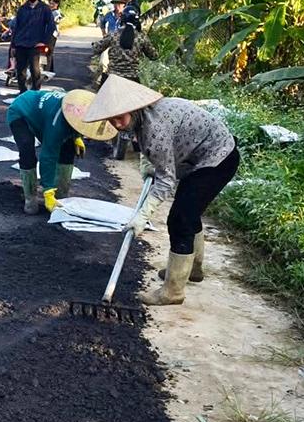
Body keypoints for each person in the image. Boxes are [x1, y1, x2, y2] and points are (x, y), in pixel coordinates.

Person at [84, 74, 240, 306]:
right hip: (197, 157)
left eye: (119, 118)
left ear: (132, 108)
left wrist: (142, 215)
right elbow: (157, 152)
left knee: (180, 218)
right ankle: (193, 269)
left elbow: (166, 180)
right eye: (111, 120)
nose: (116, 124)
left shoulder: (155, 128)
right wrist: (149, 162)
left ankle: (173, 291)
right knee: (189, 210)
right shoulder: (142, 116)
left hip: (218, 158)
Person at [6, 89, 116, 215]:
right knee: (27, 152)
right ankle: (30, 198)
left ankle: (62, 197)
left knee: (69, 148)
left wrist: (76, 137)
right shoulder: (58, 123)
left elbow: (78, 124)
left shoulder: (79, 110)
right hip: (21, 111)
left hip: (44, 114)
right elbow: (48, 156)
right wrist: (47, 190)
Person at [89, 10, 158, 85]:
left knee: (101, 95)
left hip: (112, 77)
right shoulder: (141, 37)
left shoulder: (113, 35)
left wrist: (94, 44)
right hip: (132, 79)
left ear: (122, 19)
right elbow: (154, 56)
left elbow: (96, 48)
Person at [9, 0, 53, 92]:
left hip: (35, 44)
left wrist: (44, 42)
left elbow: (51, 26)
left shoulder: (45, 9)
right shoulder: (22, 9)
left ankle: (35, 92)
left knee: (35, 69)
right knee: (20, 71)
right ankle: (22, 93)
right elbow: (16, 27)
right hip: (20, 43)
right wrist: (13, 45)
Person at [46, 0, 63, 72]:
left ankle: (48, 70)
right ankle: (50, 69)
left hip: (52, 34)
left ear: (57, 4)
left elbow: (58, 19)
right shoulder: (48, 11)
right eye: (50, 3)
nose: (51, 5)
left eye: (52, 3)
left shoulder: (56, 12)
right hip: (45, 33)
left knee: (49, 51)